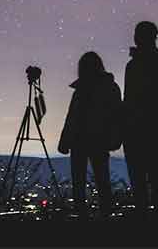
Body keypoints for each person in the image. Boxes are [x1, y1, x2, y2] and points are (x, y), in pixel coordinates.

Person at [57, 51, 123, 220]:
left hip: (83, 140)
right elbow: (117, 116)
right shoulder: (110, 88)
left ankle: (84, 216)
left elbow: (72, 117)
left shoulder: (81, 90)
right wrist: (115, 139)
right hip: (97, 140)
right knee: (101, 179)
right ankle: (104, 215)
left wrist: (65, 140)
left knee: (81, 181)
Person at [123, 21, 158, 222]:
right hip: (154, 128)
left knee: (140, 176)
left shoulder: (134, 65)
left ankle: (144, 220)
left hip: (140, 129)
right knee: (154, 175)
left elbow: (129, 101)